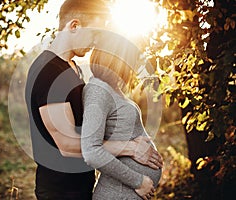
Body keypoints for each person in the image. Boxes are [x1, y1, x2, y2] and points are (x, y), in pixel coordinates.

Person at [25, 0, 163, 199]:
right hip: (60, 191)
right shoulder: (48, 72)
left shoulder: (71, 67)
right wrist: (129, 148)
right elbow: (67, 144)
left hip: (79, 186)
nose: (97, 41)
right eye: (96, 33)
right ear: (74, 26)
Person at [81, 32, 162, 200]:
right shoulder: (98, 90)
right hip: (117, 193)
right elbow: (91, 152)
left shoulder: (112, 88)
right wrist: (138, 181)